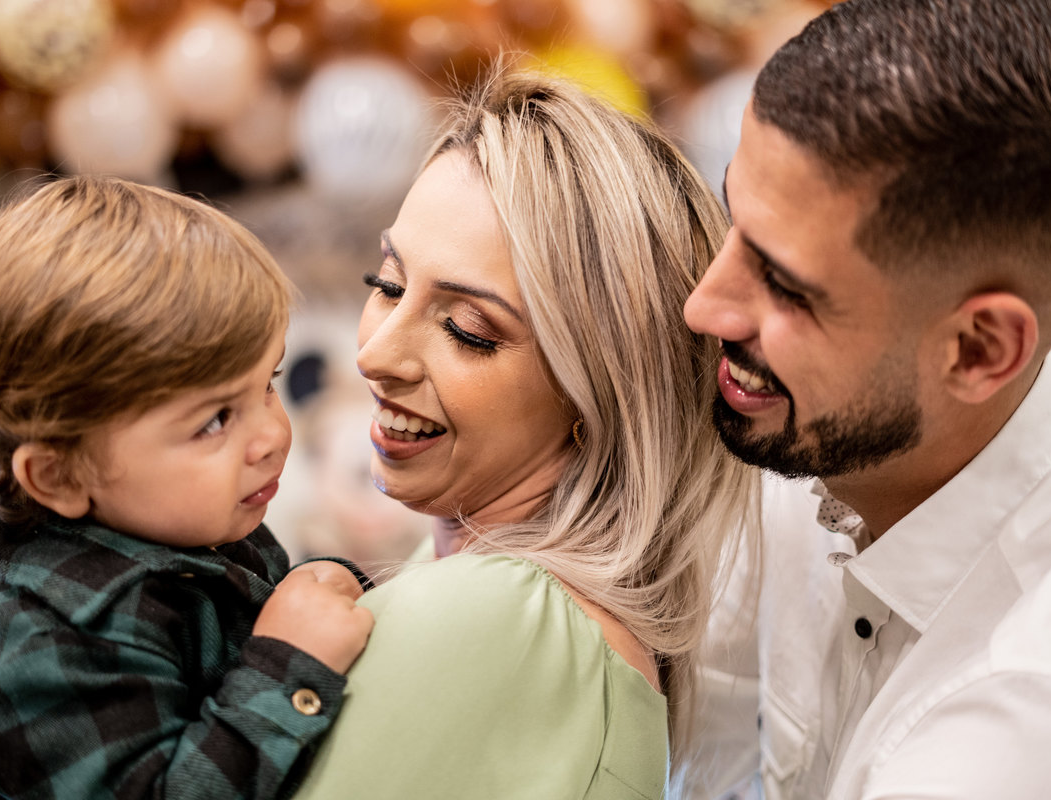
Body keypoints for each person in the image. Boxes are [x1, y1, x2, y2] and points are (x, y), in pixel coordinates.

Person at [283, 70, 757, 799]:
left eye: (467, 330)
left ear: (596, 395)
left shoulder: (490, 618)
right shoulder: (509, 597)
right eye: (387, 285)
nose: (374, 354)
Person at [680, 1, 1051, 798]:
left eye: (786, 286)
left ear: (978, 350)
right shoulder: (821, 455)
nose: (704, 306)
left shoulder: (1024, 717)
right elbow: (698, 740)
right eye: (732, 216)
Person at [0, 176, 374, 799]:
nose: (272, 435)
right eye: (215, 419)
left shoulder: (186, 528)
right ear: (61, 476)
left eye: (266, 383)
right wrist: (287, 664)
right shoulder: (62, 648)